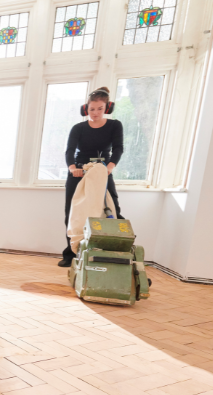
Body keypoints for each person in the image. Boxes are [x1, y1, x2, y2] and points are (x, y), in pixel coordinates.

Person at [59, 86, 125, 267]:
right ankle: (70, 254)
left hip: (102, 170)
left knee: (113, 209)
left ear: (107, 108)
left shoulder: (114, 125)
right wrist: (72, 167)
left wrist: (110, 167)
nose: (95, 113)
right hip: (79, 170)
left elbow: (118, 148)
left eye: (100, 109)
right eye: (92, 109)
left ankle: (116, 251)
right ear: (85, 109)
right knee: (73, 211)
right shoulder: (78, 128)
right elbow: (70, 150)